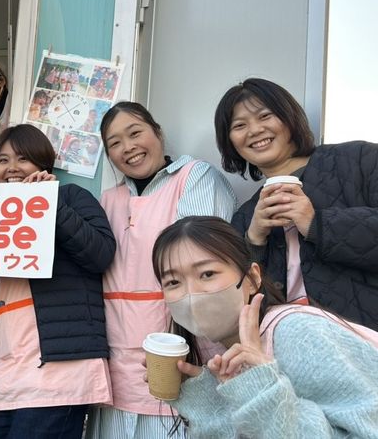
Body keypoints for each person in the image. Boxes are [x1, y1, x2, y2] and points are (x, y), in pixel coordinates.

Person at [152, 216, 378, 438]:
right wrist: (205, 402)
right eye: (173, 282)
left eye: (207, 274)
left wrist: (262, 389)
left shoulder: (298, 334)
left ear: (251, 279)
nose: (191, 294)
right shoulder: (212, 353)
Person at [93, 101, 236, 438]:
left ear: (158, 132)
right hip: (116, 356)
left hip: (177, 347)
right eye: (115, 143)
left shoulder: (195, 177)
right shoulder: (108, 200)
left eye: (135, 133)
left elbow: (201, 260)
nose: (128, 147)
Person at [0, 124, 116, 439]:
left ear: (43, 163)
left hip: (59, 372)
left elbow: (100, 254)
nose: (12, 168)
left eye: (23, 158)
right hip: (7, 371)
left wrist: (50, 203)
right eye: (3, 160)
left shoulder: (71, 196)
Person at [214, 78, 378, 329]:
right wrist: (254, 241)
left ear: (289, 117)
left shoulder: (359, 160)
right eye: (239, 125)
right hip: (287, 345)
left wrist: (316, 224)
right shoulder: (245, 216)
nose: (254, 130)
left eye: (265, 116)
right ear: (230, 142)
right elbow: (236, 300)